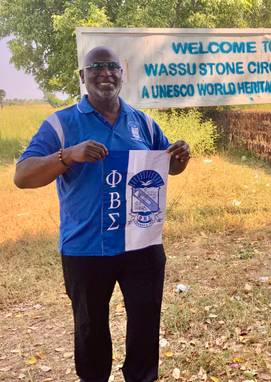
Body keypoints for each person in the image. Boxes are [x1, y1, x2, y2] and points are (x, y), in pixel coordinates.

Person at [14, 46, 190, 381]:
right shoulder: (61, 124)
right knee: (90, 328)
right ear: (82, 76)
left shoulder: (143, 123)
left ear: (122, 74)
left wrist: (179, 159)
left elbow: (167, 166)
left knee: (145, 321)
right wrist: (67, 156)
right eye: (96, 67)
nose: (104, 73)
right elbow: (22, 176)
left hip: (141, 244)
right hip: (86, 248)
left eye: (112, 67)